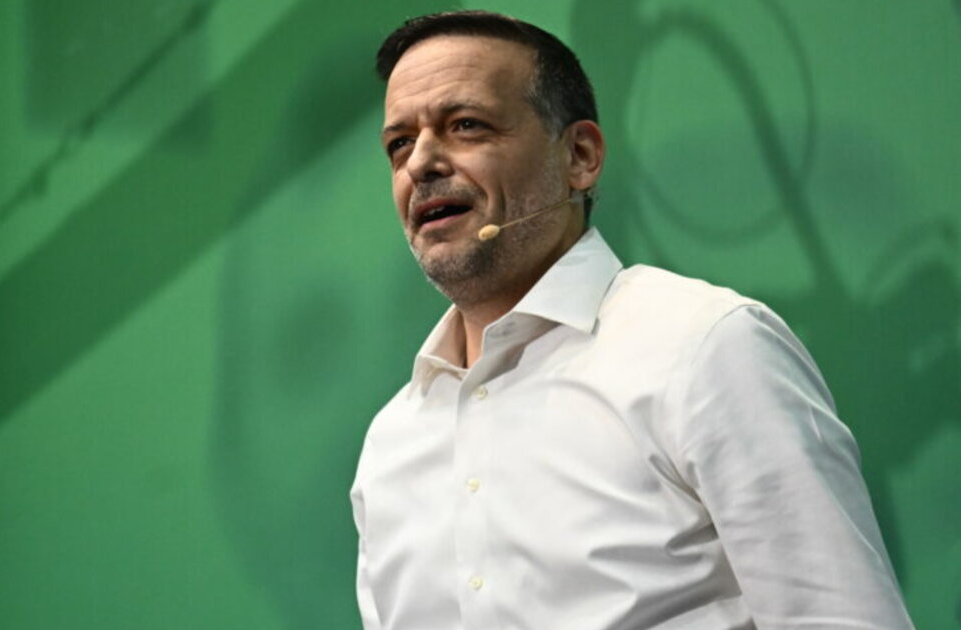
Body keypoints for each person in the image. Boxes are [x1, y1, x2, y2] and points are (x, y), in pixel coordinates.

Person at [350, 10, 914, 630]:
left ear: (580, 156)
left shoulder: (704, 346)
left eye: (465, 126)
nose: (420, 163)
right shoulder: (391, 442)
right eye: (399, 144)